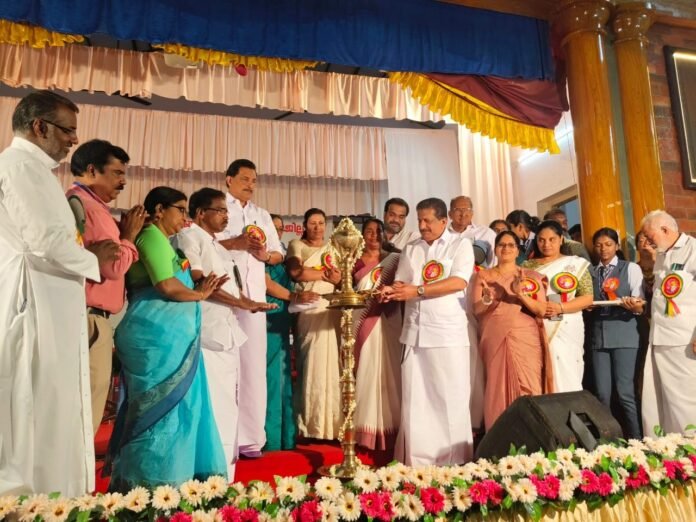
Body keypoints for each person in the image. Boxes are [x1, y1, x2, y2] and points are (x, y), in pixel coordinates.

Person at [0, 90, 119, 496]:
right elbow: (46, 240)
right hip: (34, 300)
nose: (73, 140)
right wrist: (93, 259)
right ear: (40, 126)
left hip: (49, 297)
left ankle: (56, 496)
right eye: (68, 130)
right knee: (36, 403)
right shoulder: (20, 167)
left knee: (52, 402)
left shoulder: (35, 170)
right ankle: (36, 501)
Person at [108, 187, 228, 490]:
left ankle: (179, 481)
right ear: (160, 210)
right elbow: (166, 286)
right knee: (160, 415)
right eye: (180, 210)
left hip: (174, 342)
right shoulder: (150, 236)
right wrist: (200, 294)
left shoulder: (165, 242)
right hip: (156, 341)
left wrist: (201, 291)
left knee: (183, 410)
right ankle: (150, 487)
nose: (185, 217)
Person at [173, 188, 273, 478]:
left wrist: (248, 302)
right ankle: (210, 473)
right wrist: (243, 303)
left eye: (226, 211)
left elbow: (229, 286)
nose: (226, 216)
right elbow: (200, 282)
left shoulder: (217, 245)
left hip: (227, 330)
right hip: (207, 331)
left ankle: (225, 472)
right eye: (219, 210)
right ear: (200, 213)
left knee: (228, 403)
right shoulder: (189, 237)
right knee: (214, 405)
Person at [381, 198, 475, 466]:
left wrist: (418, 290)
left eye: (428, 221)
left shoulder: (460, 245)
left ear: (444, 221)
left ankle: (454, 460)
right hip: (414, 332)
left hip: (447, 333)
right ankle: (417, 461)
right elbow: (402, 281)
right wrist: (391, 291)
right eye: (419, 220)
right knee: (416, 399)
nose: (422, 226)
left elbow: (458, 282)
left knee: (449, 397)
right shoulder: (412, 248)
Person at [66, 139, 145, 434]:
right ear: (91, 170)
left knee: (83, 405)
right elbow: (113, 267)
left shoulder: (85, 204)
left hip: (85, 315)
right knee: (86, 409)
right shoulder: (90, 209)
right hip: (89, 317)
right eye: (117, 173)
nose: (123, 182)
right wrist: (129, 237)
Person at [218, 159, 284, 457]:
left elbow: (278, 254)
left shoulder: (261, 214)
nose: (250, 185)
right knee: (224, 363)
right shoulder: (219, 208)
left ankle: (251, 438)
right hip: (224, 294)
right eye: (244, 179)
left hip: (255, 297)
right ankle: (224, 436)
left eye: (254, 180)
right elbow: (207, 243)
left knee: (254, 366)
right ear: (229, 179)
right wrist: (237, 243)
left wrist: (265, 254)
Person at [469, 231, 553, 430]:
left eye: (511, 245)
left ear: (517, 250)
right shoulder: (483, 276)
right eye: (501, 245)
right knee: (497, 386)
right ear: (495, 250)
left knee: (529, 385)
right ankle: (500, 435)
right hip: (495, 336)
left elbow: (542, 310)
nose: (506, 248)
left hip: (526, 338)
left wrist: (521, 294)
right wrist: (488, 299)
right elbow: (477, 309)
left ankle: (533, 435)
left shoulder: (530, 276)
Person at [627, 211, 696, 435]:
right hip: (659, 338)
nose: (647, 242)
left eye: (650, 236)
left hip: (684, 341)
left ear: (665, 230)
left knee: (685, 401)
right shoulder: (662, 255)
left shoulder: (692, 250)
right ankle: (670, 450)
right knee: (659, 402)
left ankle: (690, 448)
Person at [264, 214, 319, 451]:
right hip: (265, 319)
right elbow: (266, 284)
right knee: (269, 380)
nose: (276, 232)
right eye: (272, 228)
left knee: (284, 378)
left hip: (284, 320)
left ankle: (286, 437)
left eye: (279, 229)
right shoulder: (259, 257)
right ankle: (268, 439)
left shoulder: (284, 256)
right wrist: (294, 297)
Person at [286, 208, 343, 439]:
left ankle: (332, 426)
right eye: (312, 223)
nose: (317, 227)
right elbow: (297, 272)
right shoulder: (296, 245)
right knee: (311, 363)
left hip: (331, 309)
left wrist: (333, 278)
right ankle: (309, 424)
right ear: (304, 225)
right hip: (308, 309)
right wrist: (325, 274)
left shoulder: (334, 248)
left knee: (333, 364)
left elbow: (341, 278)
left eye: (321, 223)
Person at [522, 220, 593, 392]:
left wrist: (560, 308)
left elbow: (587, 298)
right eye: (541, 240)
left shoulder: (575, 264)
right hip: (537, 325)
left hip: (567, 324)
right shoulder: (526, 266)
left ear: (561, 239)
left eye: (552, 239)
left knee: (568, 372)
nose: (546, 244)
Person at [352, 218, 402, 453]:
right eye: (369, 231)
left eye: (378, 231)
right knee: (367, 369)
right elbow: (347, 289)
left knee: (390, 371)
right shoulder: (354, 260)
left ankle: (392, 427)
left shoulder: (395, 259)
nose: (374, 235)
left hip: (390, 320)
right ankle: (366, 429)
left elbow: (402, 286)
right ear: (362, 235)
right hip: (364, 319)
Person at [589, 227, 644, 439]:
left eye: (608, 244)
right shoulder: (590, 272)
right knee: (602, 394)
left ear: (617, 246)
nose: (603, 249)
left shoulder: (630, 268)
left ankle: (637, 439)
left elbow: (640, 303)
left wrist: (634, 305)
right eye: (598, 245)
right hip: (598, 337)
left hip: (624, 335)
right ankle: (609, 440)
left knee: (625, 392)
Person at [448, 196, 496, 267]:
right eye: (458, 209)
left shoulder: (487, 233)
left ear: (472, 213)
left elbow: (494, 263)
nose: (463, 214)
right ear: (450, 214)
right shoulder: (443, 235)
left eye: (467, 209)